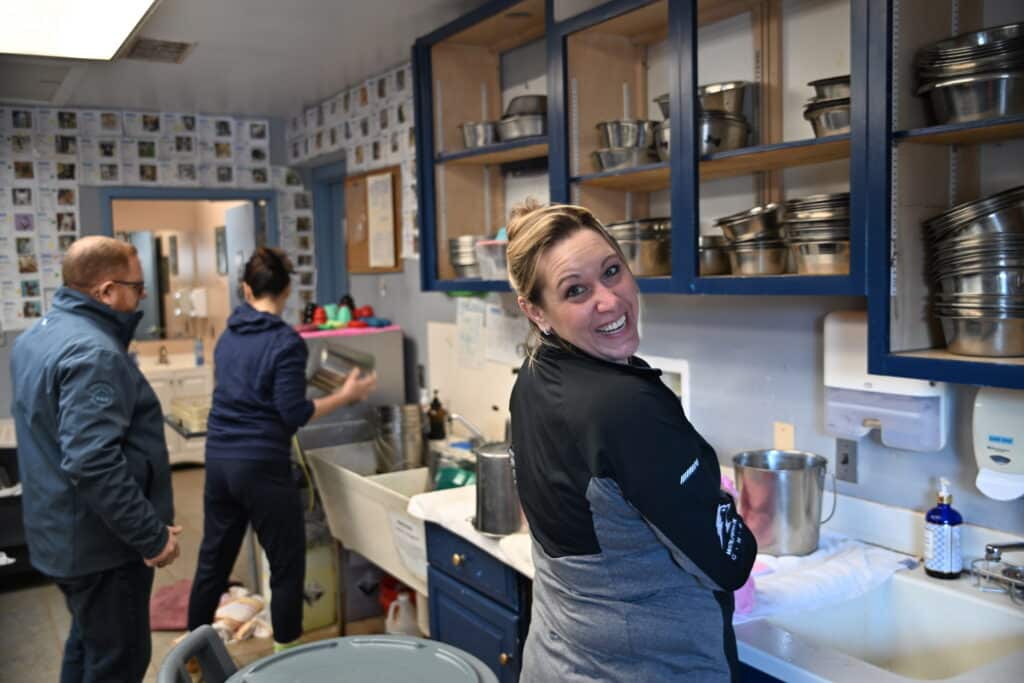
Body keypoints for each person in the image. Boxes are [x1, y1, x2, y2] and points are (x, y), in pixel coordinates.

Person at [506, 203, 758, 681]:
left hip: (556, 659)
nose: (609, 300)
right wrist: (723, 504)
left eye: (612, 271)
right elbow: (730, 563)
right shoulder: (625, 408)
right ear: (535, 311)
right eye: (576, 290)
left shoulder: (534, 376)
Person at [188, 247, 376, 649]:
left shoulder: (228, 335)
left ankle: (193, 660)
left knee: (212, 564)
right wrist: (347, 394)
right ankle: (286, 660)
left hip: (220, 460)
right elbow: (292, 413)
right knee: (287, 568)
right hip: (261, 467)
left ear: (245, 288)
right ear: (287, 290)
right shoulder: (284, 342)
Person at [10, 235, 180, 683]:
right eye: (137, 287)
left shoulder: (39, 335)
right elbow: (92, 462)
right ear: (106, 291)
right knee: (118, 661)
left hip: (58, 533)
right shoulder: (95, 353)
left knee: (88, 644)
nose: (142, 297)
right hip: (100, 546)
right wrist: (151, 536)